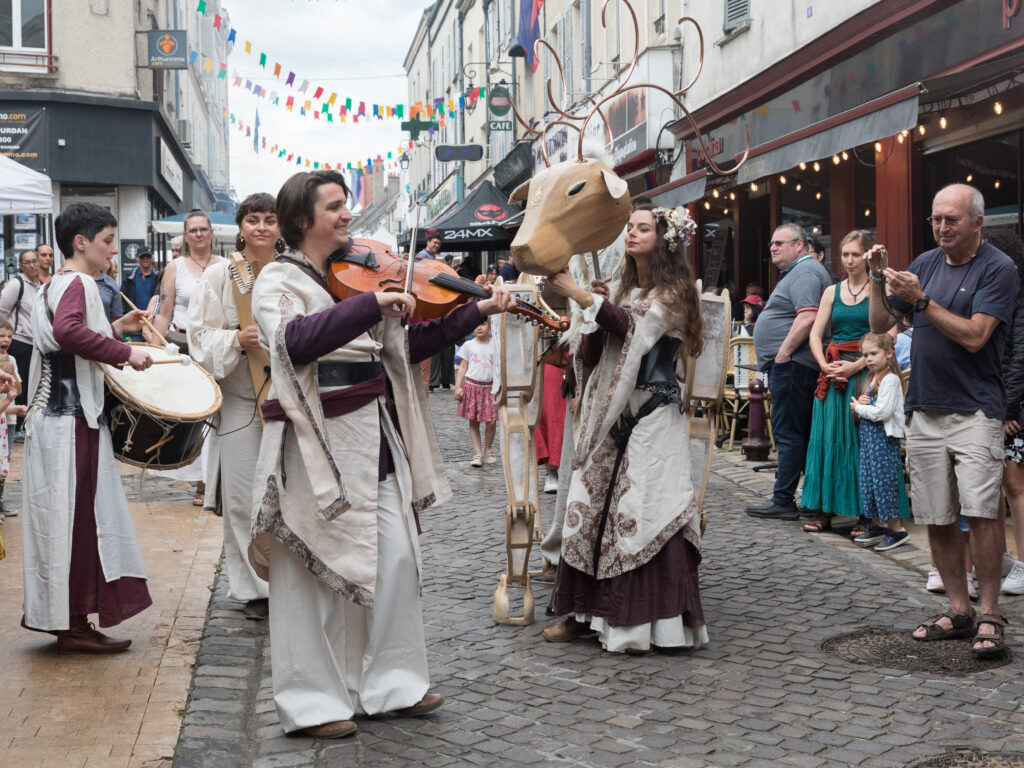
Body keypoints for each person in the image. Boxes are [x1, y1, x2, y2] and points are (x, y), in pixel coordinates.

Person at [248, 170, 514, 738]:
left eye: (346, 206)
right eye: (336, 207)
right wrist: (372, 302)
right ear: (302, 220)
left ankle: (391, 684)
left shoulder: (349, 280)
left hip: (374, 434)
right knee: (310, 572)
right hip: (315, 440)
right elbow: (292, 343)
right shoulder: (276, 279)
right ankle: (312, 703)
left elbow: (403, 349)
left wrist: (474, 313)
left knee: (394, 558)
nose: (348, 216)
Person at [541, 203, 708, 654]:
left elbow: (636, 329)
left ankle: (639, 624)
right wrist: (597, 307)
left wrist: (584, 297)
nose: (631, 234)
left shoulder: (676, 293)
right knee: (588, 506)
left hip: (654, 417)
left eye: (642, 228)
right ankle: (582, 614)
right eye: (630, 227)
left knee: (641, 511)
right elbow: (598, 350)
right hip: (610, 416)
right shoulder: (623, 288)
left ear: (665, 239)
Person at [867, 183, 1018, 657]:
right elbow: (879, 326)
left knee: (981, 513)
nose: (940, 228)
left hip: (976, 408)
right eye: (935, 219)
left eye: (951, 220)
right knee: (936, 515)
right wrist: (876, 280)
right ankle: (958, 609)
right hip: (925, 406)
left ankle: (989, 612)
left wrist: (924, 301)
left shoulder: (999, 268)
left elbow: (976, 336)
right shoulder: (923, 264)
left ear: (977, 222)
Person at [20, 202, 153, 653]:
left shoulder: (54, 283)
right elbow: (71, 333)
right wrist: (126, 352)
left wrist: (115, 327)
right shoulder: (78, 280)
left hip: (55, 420)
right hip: (71, 421)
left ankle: (67, 616)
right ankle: (73, 623)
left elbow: (64, 338)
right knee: (80, 522)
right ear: (82, 242)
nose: (114, 251)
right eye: (108, 241)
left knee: (65, 522)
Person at [188, 193, 279, 621]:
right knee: (244, 496)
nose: (261, 227)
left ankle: (294, 581)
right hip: (243, 401)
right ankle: (256, 588)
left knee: (290, 493)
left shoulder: (292, 271)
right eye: (253, 219)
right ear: (241, 227)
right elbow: (199, 336)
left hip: (287, 399)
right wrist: (235, 341)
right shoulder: (222, 276)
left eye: (270, 219)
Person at [801, 231, 908, 534]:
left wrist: (857, 366)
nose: (848, 260)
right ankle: (823, 509)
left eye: (855, 254)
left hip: (866, 375)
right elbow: (814, 333)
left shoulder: (881, 288)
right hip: (833, 373)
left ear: (867, 256)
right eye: (844, 254)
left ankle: (865, 514)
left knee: (861, 444)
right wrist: (824, 364)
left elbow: (891, 335)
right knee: (826, 441)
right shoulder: (831, 292)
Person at [745, 224, 832, 520]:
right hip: (795, 364)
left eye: (779, 243)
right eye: (771, 243)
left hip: (794, 364)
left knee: (789, 433)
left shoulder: (806, 272)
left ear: (800, 245)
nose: (772, 248)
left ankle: (784, 499)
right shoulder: (801, 272)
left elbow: (807, 317)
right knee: (801, 433)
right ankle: (812, 499)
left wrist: (782, 354)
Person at [154, 209, 221, 505]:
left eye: (203, 229)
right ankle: (200, 481)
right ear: (185, 235)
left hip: (217, 345)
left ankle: (217, 476)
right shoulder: (175, 267)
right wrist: (157, 350)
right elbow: (164, 312)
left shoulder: (226, 265)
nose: (198, 234)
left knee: (218, 411)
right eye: (192, 230)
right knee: (196, 411)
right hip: (183, 346)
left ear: (211, 232)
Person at [987, 228, 1024, 595]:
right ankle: (1001, 558)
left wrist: (1007, 409)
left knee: (1015, 486)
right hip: (997, 405)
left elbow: (1018, 360)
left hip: (1013, 409)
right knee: (995, 486)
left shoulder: (1018, 301)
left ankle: (1023, 563)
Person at [849, 333, 910, 551]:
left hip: (883, 440)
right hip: (868, 440)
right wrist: (862, 403)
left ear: (889, 353)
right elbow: (868, 408)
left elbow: (882, 412)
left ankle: (896, 529)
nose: (869, 359)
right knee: (869, 484)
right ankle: (877, 525)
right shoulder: (872, 378)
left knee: (884, 485)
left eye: (873, 353)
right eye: (865, 355)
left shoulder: (890, 379)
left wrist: (859, 407)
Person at [0, 249, 41, 439]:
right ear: (21, 266)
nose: (32, 265)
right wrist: (7, 337)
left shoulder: (40, 285)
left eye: (35, 260)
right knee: (19, 383)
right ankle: (16, 428)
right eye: (28, 262)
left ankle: (27, 424)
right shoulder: (16, 284)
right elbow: (2, 312)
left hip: (36, 344)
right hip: (18, 342)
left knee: (33, 384)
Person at [454, 320, 498, 467]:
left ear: (490, 325)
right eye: (475, 323)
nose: (479, 327)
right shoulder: (468, 345)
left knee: (491, 421)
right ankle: (478, 453)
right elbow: (463, 367)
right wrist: (458, 386)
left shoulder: (496, 344)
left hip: (491, 388)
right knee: (474, 421)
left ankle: (489, 449)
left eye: (483, 324)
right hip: (472, 386)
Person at [0, 330, 23, 521]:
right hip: (5, 414)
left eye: (9, 336)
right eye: (1, 336)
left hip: (7, 424)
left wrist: (11, 372)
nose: (5, 340)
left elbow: (19, 389)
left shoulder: (12, 359)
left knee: (4, 462)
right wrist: (10, 404)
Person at [122, 246, 159, 341]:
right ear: (137, 259)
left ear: (153, 258)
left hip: (153, 325)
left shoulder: (159, 277)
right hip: (135, 324)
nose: (145, 259)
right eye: (143, 257)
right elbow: (123, 300)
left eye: (148, 256)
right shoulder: (129, 277)